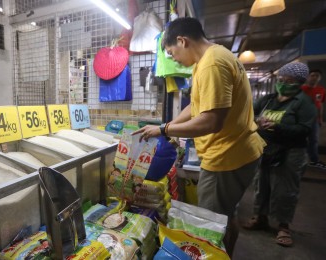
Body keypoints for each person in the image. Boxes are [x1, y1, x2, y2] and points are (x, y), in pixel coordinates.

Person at [133, 17, 265, 256]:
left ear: (182, 41)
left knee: (211, 224)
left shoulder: (212, 64)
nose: (173, 58)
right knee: (225, 215)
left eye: (172, 52)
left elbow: (211, 121)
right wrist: (166, 125)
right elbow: (196, 107)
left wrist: (164, 131)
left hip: (226, 157)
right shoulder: (210, 59)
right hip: (236, 152)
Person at [244, 62, 316, 247]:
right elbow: (248, 113)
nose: (282, 83)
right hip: (265, 149)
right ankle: (260, 217)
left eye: (288, 81)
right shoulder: (269, 99)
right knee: (262, 185)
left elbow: (304, 130)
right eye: (281, 79)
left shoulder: (304, 103)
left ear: (298, 83)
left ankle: (284, 226)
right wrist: (256, 120)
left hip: (290, 153)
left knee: (285, 189)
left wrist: (278, 126)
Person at [301, 69, 326, 169]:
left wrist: (320, 119)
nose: (314, 77)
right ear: (308, 77)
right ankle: (300, 160)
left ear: (320, 78)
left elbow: (320, 105)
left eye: (317, 76)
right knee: (300, 139)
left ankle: (314, 160)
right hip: (302, 119)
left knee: (314, 140)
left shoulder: (322, 90)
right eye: (312, 75)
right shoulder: (301, 89)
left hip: (314, 120)